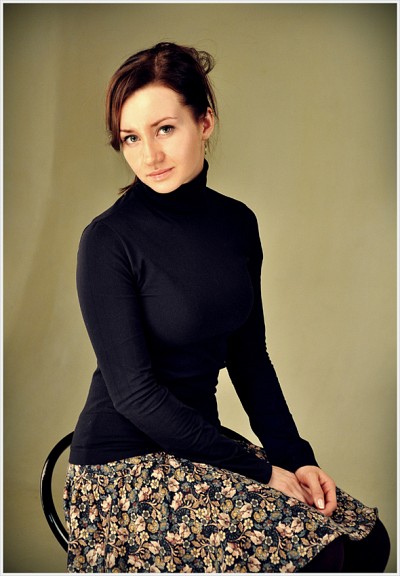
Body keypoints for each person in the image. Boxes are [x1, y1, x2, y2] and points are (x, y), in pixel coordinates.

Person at [63, 42, 390, 573]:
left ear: (204, 122)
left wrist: (295, 459)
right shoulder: (108, 240)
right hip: (120, 472)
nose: (149, 156)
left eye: (164, 129)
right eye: (131, 138)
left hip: (201, 452)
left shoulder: (237, 224)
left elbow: (249, 358)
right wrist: (260, 472)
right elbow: (135, 395)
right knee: (320, 555)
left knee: (367, 540)